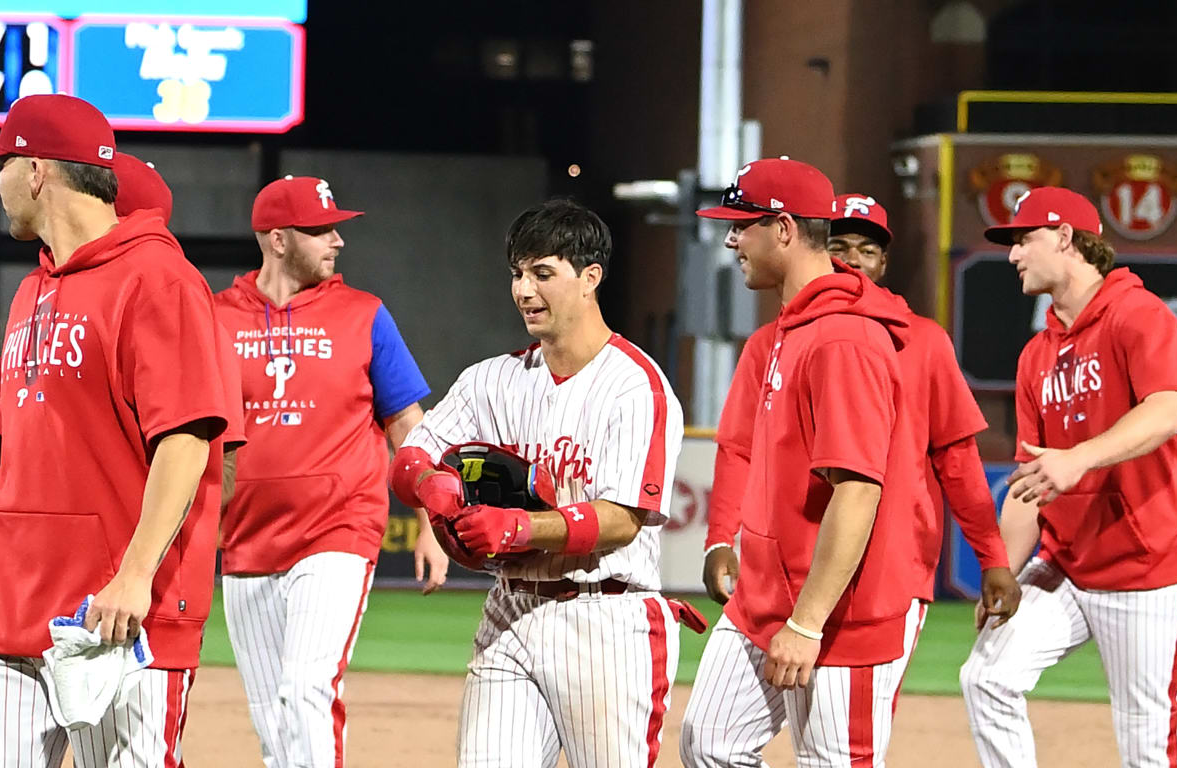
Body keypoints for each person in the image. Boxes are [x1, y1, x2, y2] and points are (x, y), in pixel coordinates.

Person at [0, 94, 230, 767]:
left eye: (3, 164)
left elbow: (186, 443)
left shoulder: (158, 280)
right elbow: (30, 441)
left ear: (39, 171)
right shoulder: (32, 291)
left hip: (115, 616)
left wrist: (134, 576)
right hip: (4, 607)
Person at [389, 198, 685, 767]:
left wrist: (519, 527)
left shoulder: (634, 386)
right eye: (517, 274)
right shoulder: (492, 379)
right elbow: (412, 454)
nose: (524, 289)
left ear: (590, 278)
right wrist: (434, 489)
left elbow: (622, 520)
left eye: (542, 273)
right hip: (510, 610)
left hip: (604, 622)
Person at [681, 158, 929, 766]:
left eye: (743, 225)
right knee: (708, 744)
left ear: (785, 229)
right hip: (764, 600)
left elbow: (858, 491)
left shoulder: (844, 339)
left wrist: (809, 623)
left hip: (843, 616)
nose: (732, 239)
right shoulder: (788, 332)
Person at [958, 186, 1177, 768]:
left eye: (1024, 239)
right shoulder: (1036, 355)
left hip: (1149, 568)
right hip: (1067, 563)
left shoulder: (1139, 314)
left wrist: (1078, 458)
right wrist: (1002, 567)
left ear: (1066, 238)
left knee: (1145, 743)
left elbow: (1167, 411)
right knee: (986, 677)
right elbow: (1030, 481)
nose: (1014, 254)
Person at [702, 192, 1019, 646]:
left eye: (867, 250)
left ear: (884, 263)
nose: (854, 259)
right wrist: (720, 538)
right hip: (778, 574)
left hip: (889, 573)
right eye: (840, 246)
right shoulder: (768, 344)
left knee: (850, 717)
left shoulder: (923, 342)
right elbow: (738, 450)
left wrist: (992, 557)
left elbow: (957, 458)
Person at [213, 174, 445, 767]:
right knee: (271, 717)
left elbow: (406, 428)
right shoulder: (216, 317)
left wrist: (431, 520)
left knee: (308, 686)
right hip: (243, 537)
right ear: (277, 239)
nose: (337, 240)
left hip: (337, 530)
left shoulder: (364, 315)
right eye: (321, 230)